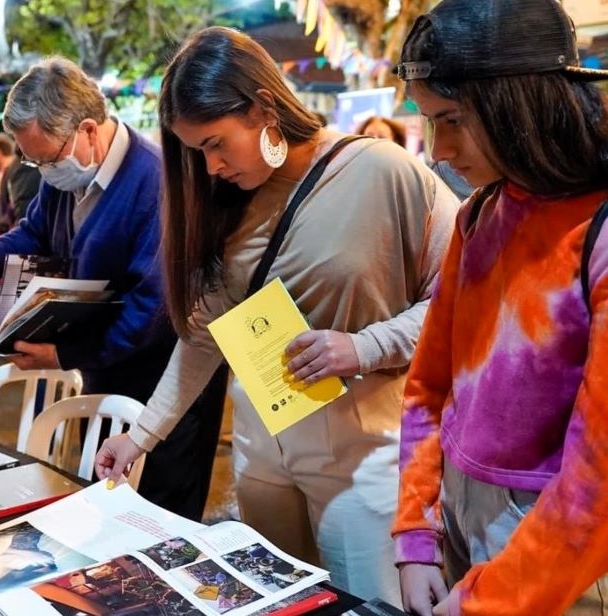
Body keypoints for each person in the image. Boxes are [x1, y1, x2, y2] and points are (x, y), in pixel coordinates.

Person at [94, 27, 458, 605]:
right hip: (261, 457)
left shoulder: (382, 172)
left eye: (215, 144)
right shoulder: (219, 204)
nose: (209, 167)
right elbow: (204, 338)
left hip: (363, 464)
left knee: (368, 603)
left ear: (263, 106)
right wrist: (141, 435)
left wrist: (366, 346)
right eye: (195, 153)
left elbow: (462, 299)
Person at [0, 56, 229, 521]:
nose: (42, 169)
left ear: (88, 129)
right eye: (31, 159)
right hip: (105, 367)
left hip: (164, 380)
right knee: (106, 509)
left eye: (46, 158)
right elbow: (34, 231)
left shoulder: (154, 179)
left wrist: (63, 356)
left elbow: (150, 309)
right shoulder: (67, 174)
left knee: (157, 519)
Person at [391, 1, 608, 615]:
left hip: (559, 556)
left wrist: (494, 594)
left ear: (519, 103)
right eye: (431, 121)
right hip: (457, 522)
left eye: (453, 118)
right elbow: (428, 388)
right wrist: (415, 535)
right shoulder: (479, 214)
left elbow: (598, 474)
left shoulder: (598, 229)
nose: (438, 148)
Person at [0, 134, 40, 237]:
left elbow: (17, 207)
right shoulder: (5, 173)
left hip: (9, 237)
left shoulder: (16, 170)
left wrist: (0, 228)